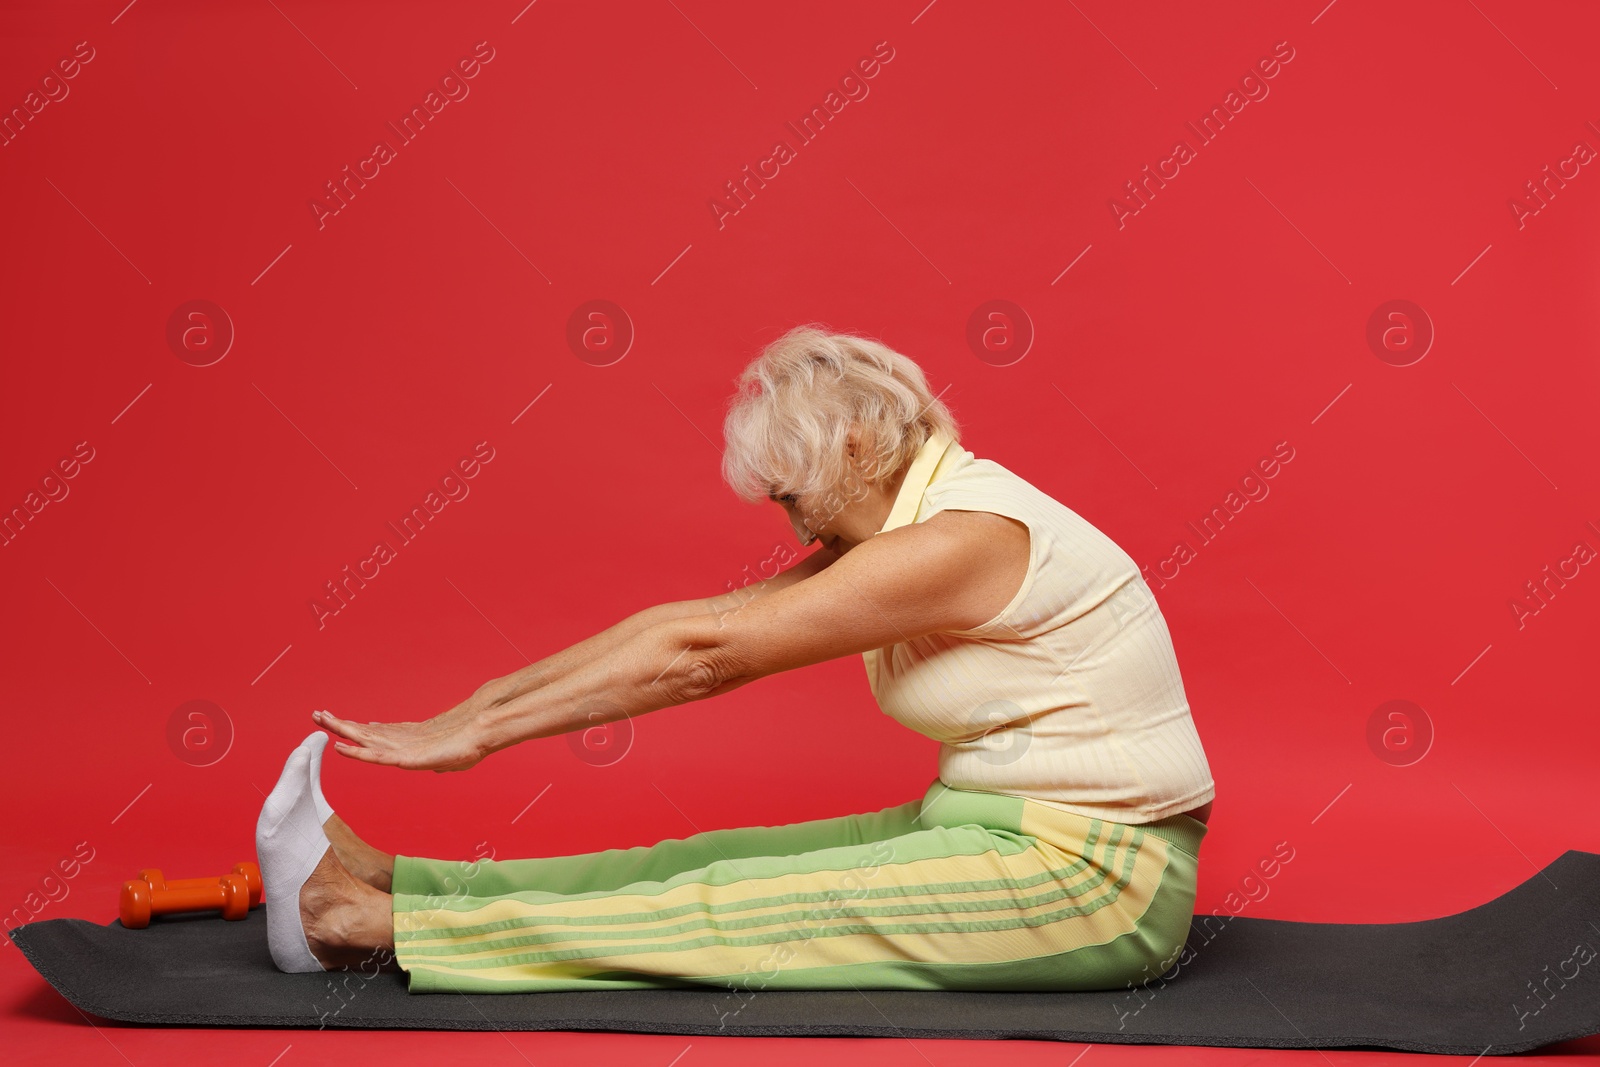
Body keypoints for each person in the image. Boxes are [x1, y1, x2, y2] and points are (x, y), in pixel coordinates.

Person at [255, 325, 1217, 993]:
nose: (792, 518)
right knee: (698, 860)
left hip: (1096, 883)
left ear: (854, 444)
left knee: (727, 909)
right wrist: (472, 711)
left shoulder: (962, 538)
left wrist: (481, 734)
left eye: (792, 493)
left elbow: (705, 657)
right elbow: (684, 622)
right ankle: (399, 879)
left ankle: (369, 930)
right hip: (983, 827)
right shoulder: (913, 525)